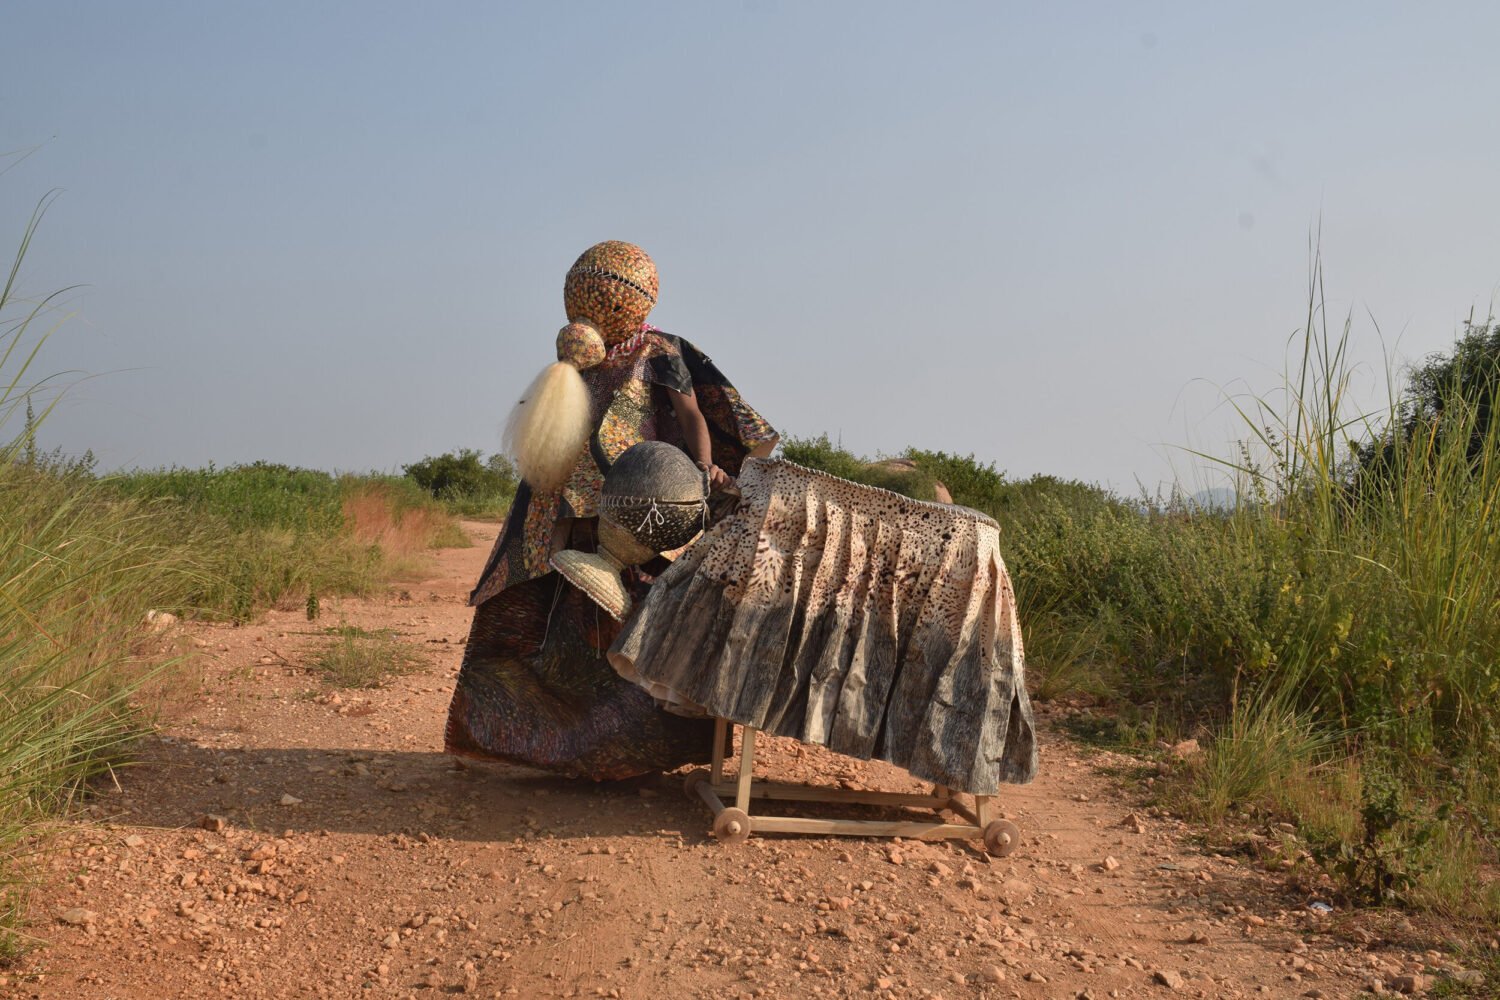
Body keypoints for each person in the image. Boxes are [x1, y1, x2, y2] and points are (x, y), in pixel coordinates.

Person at [444, 241, 777, 779]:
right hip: (607, 507)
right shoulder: (612, 351)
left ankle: (589, 750)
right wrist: (701, 467)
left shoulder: (624, 352)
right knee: (593, 615)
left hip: (615, 508)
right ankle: (579, 751)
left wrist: (701, 469)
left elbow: (688, 415)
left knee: (596, 614)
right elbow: (688, 414)